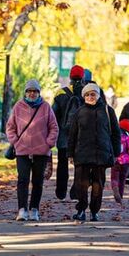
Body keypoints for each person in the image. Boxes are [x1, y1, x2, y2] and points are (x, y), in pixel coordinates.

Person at [6, 79, 58, 221]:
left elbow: (54, 127)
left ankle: (34, 209)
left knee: (37, 181)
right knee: (22, 180)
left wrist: (48, 143)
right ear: (25, 92)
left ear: (39, 93)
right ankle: (22, 210)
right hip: (22, 151)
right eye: (29, 91)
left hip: (41, 151)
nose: (32, 94)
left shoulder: (46, 107)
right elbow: (10, 127)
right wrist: (15, 142)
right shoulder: (18, 107)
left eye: (35, 91)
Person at [68, 82, 120, 222]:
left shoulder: (108, 111)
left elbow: (116, 133)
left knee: (98, 185)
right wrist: (70, 154)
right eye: (87, 95)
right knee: (81, 184)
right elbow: (72, 134)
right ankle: (81, 210)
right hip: (82, 154)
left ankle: (94, 211)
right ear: (83, 96)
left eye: (93, 94)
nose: (90, 97)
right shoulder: (79, 112)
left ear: (98, 95)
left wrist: (116, 153)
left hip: (101, 154)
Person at [52, 65, 85, 200]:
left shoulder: (60, 93)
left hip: (63, 136)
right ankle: (75, 191)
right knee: (79, 165)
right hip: (81, 137)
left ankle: (61, 191)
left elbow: (53, 115)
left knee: (62, 164)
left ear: (70, 77)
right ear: (82, 77)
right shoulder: (87, 93)